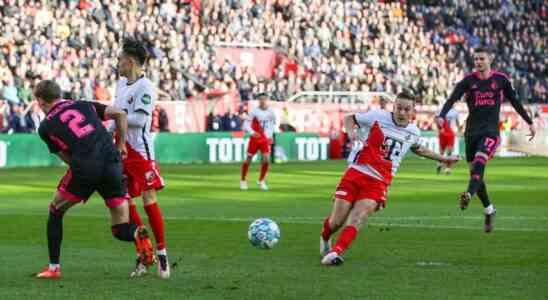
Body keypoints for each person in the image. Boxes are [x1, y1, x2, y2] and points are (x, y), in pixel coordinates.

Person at [320, 92, 460, 266]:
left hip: (378, 182)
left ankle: (335, 252)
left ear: (413, 111)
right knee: (336, 221)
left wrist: (444, 159)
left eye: (406, 109)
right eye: (399, 108)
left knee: (359, 215)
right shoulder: (377, 116)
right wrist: (351, 133)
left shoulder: (413, 131)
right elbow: (350, 118)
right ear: (393, 107)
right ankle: (325, 238)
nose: (401, 112)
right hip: (356, 172)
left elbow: (418, 149)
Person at [33, 80, 154, 278]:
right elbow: (120, 114)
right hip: (112, 162)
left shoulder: (45, 127)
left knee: (55, 210)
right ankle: (135, 233)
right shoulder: (83, 104)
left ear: (40, 100)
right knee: (120, 228)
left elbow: (65, 157)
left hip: (85, 166)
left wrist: (85, 170)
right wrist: (121, 144)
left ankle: (53, 268)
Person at [437, 46, 535, 233]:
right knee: (475, 172)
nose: (478, 62)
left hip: (491, 132)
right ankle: (489, 209)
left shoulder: (501, 80)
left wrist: (529, 122)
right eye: (476, 59)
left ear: (489, 59)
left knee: (480, 162)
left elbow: (515, 101)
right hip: (471, 133)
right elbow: (452, 99)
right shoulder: (468, 81)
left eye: (481, 58)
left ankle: (468, 194)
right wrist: (442, 114)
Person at [113, 38, 169, 278]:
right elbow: (116, 115)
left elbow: (139, 119)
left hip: (141, 151)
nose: (117, 63)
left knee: (148, 198)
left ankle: (163, 255)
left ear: (131, 61)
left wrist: (113, 117)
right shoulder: (120, 84)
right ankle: (145, 254)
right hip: (121, 148)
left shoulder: (145, 86)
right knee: (124, 201)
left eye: (120, 60)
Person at [240, 93, 277, 191]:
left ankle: (261, 180)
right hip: (255, 139)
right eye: (260, 99)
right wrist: (252, 132)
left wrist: (270, 136)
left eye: (264, 99)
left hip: (265, 138)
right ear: (258, 101)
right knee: (248, 159)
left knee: (266, 160)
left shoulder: (271, 112)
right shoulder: (254, 112)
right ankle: (243, 180)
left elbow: (272, 124)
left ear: (267, 100)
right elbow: (246, 123)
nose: (262, 101)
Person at [436, 107, 459, 174]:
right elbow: (437, 120)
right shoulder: (441, 110)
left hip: (451, 133)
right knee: (441, 152)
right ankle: (439, 164)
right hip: (442, 133)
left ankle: (448, 168)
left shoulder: (455, 111)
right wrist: (439, 128)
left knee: (449, 152)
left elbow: (457, 121)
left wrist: (459, 129)